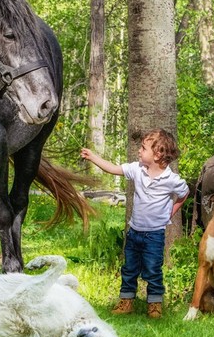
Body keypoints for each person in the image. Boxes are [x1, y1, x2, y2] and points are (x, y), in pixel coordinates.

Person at [81, 129, 189, 319]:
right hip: (134, 232)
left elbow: (184, 193)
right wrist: (93, 157)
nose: (139, 151)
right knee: (129, 269)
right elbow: (113, 168)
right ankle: (126, 302)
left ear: (158, 154)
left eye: (143, 148)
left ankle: (154, 305)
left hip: (154, 235)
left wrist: (171, 212)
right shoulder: (137, 169)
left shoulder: (172, 180)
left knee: (153, 270)